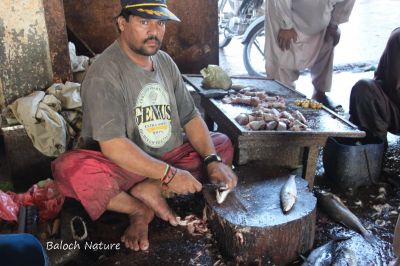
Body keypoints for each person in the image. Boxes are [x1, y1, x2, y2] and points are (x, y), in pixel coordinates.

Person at [52, 0, 238, 252]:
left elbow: (190, 117)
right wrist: (169, 175)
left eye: (160, 23)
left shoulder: (165, 62)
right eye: (143, 22)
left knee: (220, 145)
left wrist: (212, 160)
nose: (154, 31)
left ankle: (148, 189)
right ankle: (138, 207)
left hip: (170, 157)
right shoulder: (104, 72)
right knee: (70, 170)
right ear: (122, 23)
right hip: (124, 164)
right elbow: (114, 147)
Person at [264, 0, 355, 111]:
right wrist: (286, 24)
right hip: (284, 13)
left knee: (327, 44)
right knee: (282, 57)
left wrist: (334, 24)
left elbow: (346, 3)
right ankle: (281, 100)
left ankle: (320, 94)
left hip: (321, 19)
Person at [349, 27, 400, 146]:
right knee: (364, 89)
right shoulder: (398, 38)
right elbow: (395, 88)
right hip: (392, 107)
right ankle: (372, 150)